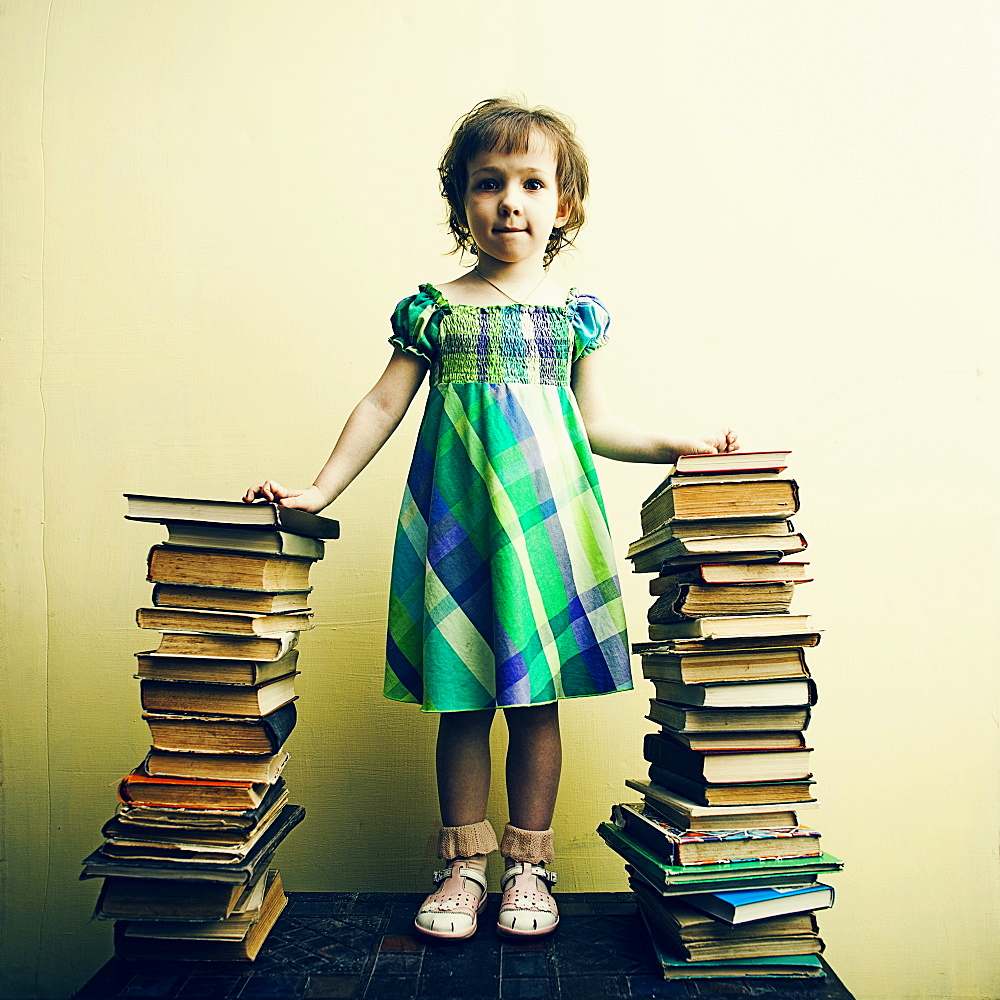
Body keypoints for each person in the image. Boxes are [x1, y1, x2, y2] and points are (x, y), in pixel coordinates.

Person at [244, 97, 738, 940]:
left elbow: (599, 426)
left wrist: (677, 445)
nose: (509, 200)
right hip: (458, 531)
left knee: (536, 704)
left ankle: (529, 867)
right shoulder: (435, 309)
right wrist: (321, 488)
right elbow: (381, 404)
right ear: (460, 203)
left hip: (544, 535)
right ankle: (463, 865)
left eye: (531, 183)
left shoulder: (573, 317)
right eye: (488, 184)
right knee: (463, 704)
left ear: (562, 206)